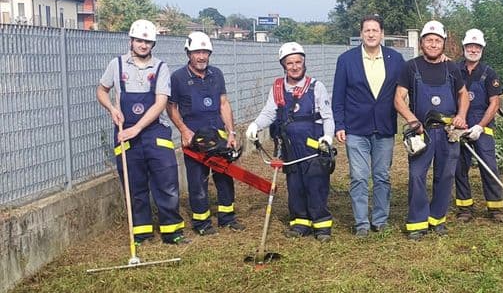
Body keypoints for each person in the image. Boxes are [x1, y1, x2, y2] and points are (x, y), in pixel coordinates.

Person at [96, 19, 189, 245]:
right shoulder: (116, 65)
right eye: (139, 40)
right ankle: (141, 233)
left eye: (147, 42)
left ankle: (172, 231)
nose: (143, 45)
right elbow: (101, 90)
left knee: (166, 182)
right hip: (125, 132)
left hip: (154, 132)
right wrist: (112, 108)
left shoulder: (160, 68)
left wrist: (137, 128)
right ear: (131, 41)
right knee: (134, 184)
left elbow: (160, 103)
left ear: (153, 44)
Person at [245, 42, 336, 242]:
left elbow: (328, 117)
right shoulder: (278, 87)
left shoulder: (315, 87)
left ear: (304, 63)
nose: (295, 66)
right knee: (295, 185)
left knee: (316, 183)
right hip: (289, 146)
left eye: (298, 62)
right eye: (290, 63)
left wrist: (328, 137)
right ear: (283, 65)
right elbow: (270, 112)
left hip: (313, 146)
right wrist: (255, 125)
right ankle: (300, 222)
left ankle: (321, 225)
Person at [332, 15, 405, 238]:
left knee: (382, 175)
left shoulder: (396, 59)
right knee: (359, 176)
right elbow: (338, 96)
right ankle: (361, 223)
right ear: (361, 34)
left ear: (382, 33)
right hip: (356, 128)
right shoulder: (346, 60)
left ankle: (380, 220)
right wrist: (339, 124)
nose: (371, 34)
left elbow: (407, 85)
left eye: (375, 30)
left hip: (384, 127)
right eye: (367, 30)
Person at [394, 20, 468, 240]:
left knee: (445, 176)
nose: (433, 44)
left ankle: (437, 219)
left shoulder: (451, 67)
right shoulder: (411, 67)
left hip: (448, 132)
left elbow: (463, 94)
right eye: (429, 40)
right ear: (422, 43)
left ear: (443, 43)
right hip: (422, 132)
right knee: (417, 176)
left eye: (437, 41)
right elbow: (398, 98)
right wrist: (411, 119)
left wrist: (461, 115)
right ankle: (417, 222)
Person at [166, 31, 245, 236]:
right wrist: (184, 131)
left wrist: (231, 132)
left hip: (218, 135)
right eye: (196, 52)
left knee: (224, 178)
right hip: (195, 139)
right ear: (188, 53)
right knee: (197, 181)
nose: (201, 56)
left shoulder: (216, 74)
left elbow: (224, 104)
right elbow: (171, 107)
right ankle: (202, 223)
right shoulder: (178, 78)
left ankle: (227, 218)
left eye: (205, 52)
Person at [453, 29, 503, 222]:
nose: (473, 49)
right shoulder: (454, 70)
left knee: (489, 165)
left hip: (482, 126)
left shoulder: (489, 73)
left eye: (477, 47)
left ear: (482, 49)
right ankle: (465, 208)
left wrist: (480, 127)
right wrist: (456, 121)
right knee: (460, 166)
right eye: (469, 46)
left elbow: (494, 103)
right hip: (460, 124)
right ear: (464, 48)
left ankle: (496, 208)